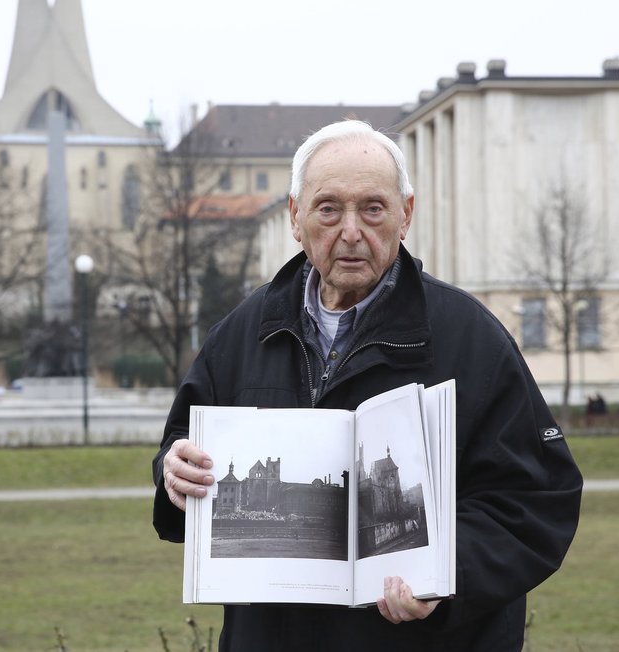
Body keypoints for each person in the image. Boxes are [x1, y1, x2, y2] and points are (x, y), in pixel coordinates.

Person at [152, 120, 582, 650]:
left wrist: (445, 576)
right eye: (328, 208)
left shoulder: (472, 339)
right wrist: (175, 477)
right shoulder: (241, 333)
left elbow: (536, 501)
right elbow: (180, 452)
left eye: (372, 209)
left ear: (406, 215)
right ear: (295, 217)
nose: (350, 231)